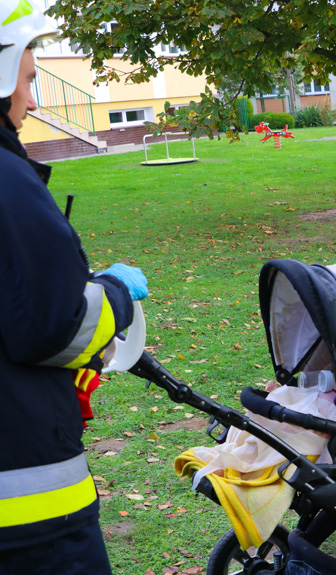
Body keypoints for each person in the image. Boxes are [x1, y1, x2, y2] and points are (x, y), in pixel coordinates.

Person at [0, 3, 149, 573]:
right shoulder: (7, 181)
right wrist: (113, 291)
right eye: (28, 80)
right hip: (29, 516)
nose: (32, 102)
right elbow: (53, 325)